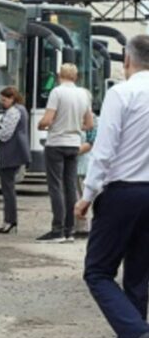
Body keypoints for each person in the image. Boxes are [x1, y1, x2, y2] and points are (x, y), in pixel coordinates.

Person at [76, 34, 149, 338]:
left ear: (127, 61)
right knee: (138, 276)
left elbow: (104, 150)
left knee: (98, 271)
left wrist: (87, 194)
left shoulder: (123, 92)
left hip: (122, 192)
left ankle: (136, 333)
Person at [37, 63, 94, 243]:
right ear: (75, 77)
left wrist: (42, 125)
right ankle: (70, 230)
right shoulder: (83, 94)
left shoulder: (57, 92)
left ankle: (57, 229)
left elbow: (47, 120)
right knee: (70, 187)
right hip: (74, 144)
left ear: (59, 75)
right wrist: (75, 126)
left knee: (55, 186)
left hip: (56, 143)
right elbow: (89, 124)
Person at [0, 86, 31, 234]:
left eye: (4, 99)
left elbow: (6, 133)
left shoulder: (13, 111)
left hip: (11, 152)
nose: (2, 102)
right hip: (16, 152)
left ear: (12, 98)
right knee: (9, 188)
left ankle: (10, 221)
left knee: (8, 189)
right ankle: (9, 220)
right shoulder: (22, 109)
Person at [75, 88, 98, 239]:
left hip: (86, 162)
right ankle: (80, 226)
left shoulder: (93, 119)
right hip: (76, 163)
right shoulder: (75, 116)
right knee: (77, 194)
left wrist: (74, 150)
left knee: (86, 195)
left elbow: (92, 141)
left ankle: (86, 227)